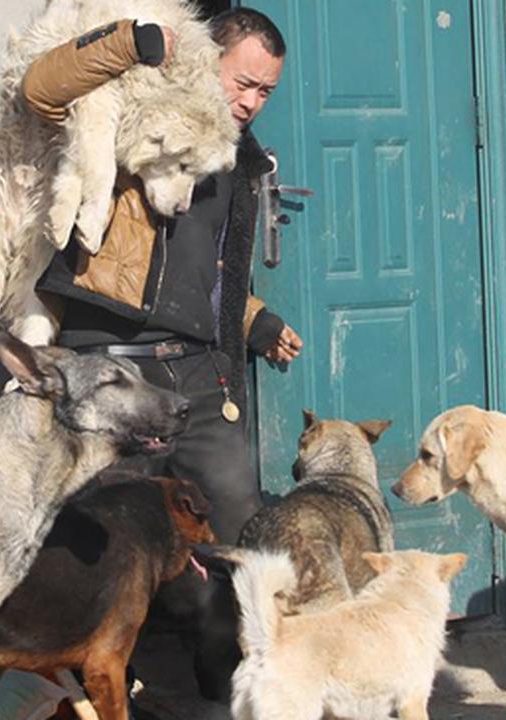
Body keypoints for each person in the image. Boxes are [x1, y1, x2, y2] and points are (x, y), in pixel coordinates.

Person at [26, 8, 302, 545]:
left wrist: (255, 321)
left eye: (265, 92)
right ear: (205, 60)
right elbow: (42, 89)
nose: (251, 102)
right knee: (111, 541)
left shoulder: (237, 160)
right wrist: (132, 43)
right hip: (112, 369)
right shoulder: (133, 115)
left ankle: (234, 632)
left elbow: (203, 271)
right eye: (243, 83)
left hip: (199, 374)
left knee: (238, 522)